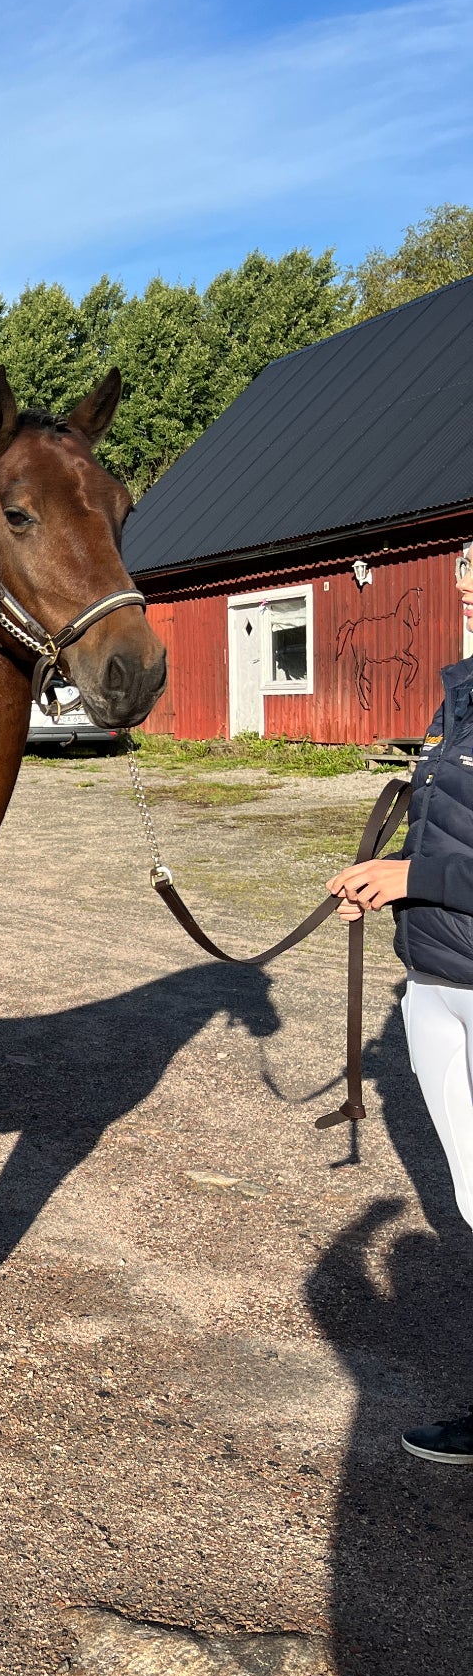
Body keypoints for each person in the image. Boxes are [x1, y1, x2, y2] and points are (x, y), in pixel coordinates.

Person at [330, 541, 473, 1465]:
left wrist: (412, 876)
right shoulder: (459, 695)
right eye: (464, 577)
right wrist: (385, 877)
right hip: (437, 983)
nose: (466, 590)